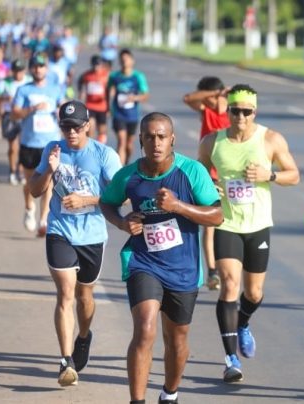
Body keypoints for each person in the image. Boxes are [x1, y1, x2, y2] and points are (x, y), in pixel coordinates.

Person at [99, 112, 223, 404]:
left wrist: (179, 206)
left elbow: (217, 215)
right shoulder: (128, 175)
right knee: (145, 328)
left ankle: (170, 392)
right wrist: (121, 223)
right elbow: (107, 202)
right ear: (140, 139)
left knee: (177, 339)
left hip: (183, 268)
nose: (156, 142)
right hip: (143, 262)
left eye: (162, 137)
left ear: (172, 140)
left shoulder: (192, 172)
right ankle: (137, 401)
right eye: (150, 137)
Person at [198, 84, 300, 383]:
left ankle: (243, 322)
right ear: (227, 111)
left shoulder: (270, 139)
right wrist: (209, 190)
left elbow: (294, 175)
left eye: (247, 111)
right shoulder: (211, 142)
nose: (241, 116)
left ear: (254, 112)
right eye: (235, 110)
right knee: (229, 285)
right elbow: (199, 175)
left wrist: (269, 175)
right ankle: (230, 358)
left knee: (253, 292)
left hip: (258, 225)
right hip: (227, 223)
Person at [27, 100, 121, 386]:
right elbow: (34, 190)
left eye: (76, 127)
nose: (71, 133)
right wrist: (48, 171)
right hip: (60, 230)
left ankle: (83, 337)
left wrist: (87, 200)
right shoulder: (52, 150)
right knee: (66, 294)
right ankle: (65, 361)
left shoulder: (104, 154)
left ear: (88, 125)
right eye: (65, 127)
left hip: (92, 234)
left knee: (84, 297)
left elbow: (121, 196)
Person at [183, 76, 230, 290]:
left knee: (229, 225)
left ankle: (227, 266)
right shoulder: (206, 111)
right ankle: (212, 272)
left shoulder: (233, 113)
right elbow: (188, 98)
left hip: (230, 177)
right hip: (209, 176)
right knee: (209, 226)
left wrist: (221, 95)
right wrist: (213, 94)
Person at [12, 53, 64, 237]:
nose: (38, 69)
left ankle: (43, 220)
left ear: (46, 69)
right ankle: (29, 207)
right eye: (35, 66)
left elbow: (62, 107)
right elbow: (15, 114)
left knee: (48, 183)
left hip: (49, 144)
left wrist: (59, 110)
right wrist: (33, 108)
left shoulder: (55, 89)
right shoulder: (23, 90)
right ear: (31, 68)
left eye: (41, 66)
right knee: (30, 183)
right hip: (28, 143)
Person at [107, 48, 149, 165]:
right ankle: (119, 169)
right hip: (118, 113)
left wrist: (134, 98)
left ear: (132, 61)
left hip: (132, 115)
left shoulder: (138, 76)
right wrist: (108, 106)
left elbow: (145, 95)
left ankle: (126, 162)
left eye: (127, 59)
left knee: (129, 144)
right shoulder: (114, 76)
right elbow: (108, 90)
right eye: (122, 60)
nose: (124, 61)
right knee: (121, 141)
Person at [0, 58, 31, 184]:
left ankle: (20, 172)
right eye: (15, 71)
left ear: (24, 71)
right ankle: (12, 171)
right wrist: (5, 98)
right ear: (12, 71)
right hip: (9, 116)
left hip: (24, 116)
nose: (18, 74)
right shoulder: (5, 82)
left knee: (23, 146)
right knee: (13, 146)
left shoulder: (29, 82)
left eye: (20, 71)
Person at [78, 55, 110, 143]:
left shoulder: (106, 75)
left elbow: (109, 91)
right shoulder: (87, 75)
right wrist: (81, 92)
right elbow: (80, 81)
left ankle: (101, 147)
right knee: (90, 128)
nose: (96, 67)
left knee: (102, 130)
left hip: (102, 106)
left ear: (101, 65)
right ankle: (91, 146)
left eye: (98, 65)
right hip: (90, 105)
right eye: (95, 65)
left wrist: (109, 108)